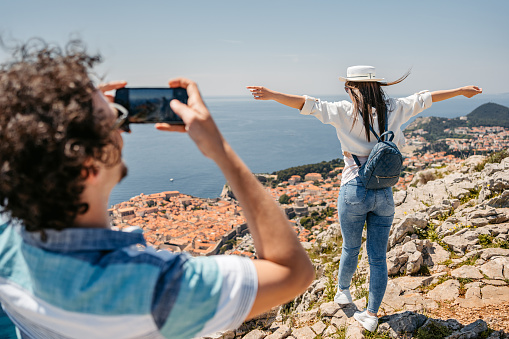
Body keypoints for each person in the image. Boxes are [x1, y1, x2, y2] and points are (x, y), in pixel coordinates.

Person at [0, 39, 315, 339]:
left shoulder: (7, 244)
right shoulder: (150, 291)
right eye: (115, 120)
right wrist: (220, 149)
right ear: (88, 168)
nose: (124, 128)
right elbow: (293, 272)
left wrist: (57, 113)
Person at [247, 65, 482, 332]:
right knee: (378, 257)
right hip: (384, 192)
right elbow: (425, 98)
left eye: (347, 87)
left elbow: (305, 103)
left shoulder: (344, 111)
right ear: (376, 86)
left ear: (352, 88)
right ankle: (371, 314)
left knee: (350, 247)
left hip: (354, 189)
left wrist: (270, 93)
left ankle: (343, 292)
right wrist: (461, 91)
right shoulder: (394, 107)